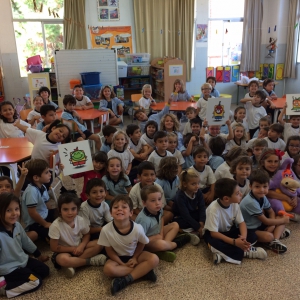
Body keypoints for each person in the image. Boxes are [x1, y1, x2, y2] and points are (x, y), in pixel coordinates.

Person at [98, 195, 159, 295]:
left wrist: (135, 258)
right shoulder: (105, 230)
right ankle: (142, 272)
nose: (119, 209)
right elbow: (109, 250)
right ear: (111, 213)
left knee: (154, 259)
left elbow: (142, 243)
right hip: (117, 258)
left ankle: (127, 279)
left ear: (131, 213)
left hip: (135, 255)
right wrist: (121, 263)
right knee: (108, 270)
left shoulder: (137, 228)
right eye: (116, 207)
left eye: (124, 207)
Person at [203, 178, 267, 265]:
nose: (241, 194)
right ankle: (245, 251)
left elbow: (242, 223)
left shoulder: (235, 204)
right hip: (215, 234)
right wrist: (234, 242)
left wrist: (243, 238)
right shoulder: (213, 209)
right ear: (226, 199)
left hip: (229, 231)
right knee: (214, 242)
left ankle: (222, 255)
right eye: (237, 193)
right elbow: (214, 233)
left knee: (252, 235)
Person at [0, 193, 49, 298]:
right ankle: (4, 288)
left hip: (22, 260)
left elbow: (26, 241)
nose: (14, 213)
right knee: (35, 281)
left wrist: (38, 255)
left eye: (16, 209)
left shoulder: (17, 225)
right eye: (8, 210)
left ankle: (22, 275)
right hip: (9, 269)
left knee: (44, 271)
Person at [135, 185, 199, 263]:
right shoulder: (143, 220)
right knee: (161, 244)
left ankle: (164, 249)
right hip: (147, 243)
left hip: (158, 233)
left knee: (175, 224)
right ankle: (178, 242)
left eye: (159, 199)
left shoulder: (159, 209)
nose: (158, 203)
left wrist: (161, 234)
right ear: (144, 203)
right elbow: (139, 241)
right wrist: (156, 237)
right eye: (153, 200)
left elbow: (161, 218)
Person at [49, 193, 106, 278]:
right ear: (59, 210)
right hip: (64, 251)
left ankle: (73, 265)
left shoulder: (80, 220)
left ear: (78, 209)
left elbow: (87, 234)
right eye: (65, 209)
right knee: (63, 259)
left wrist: (82, 246)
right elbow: (54, 247)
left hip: (79, 247)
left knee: (100, 243)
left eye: (73, 209)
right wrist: (72, 249)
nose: (70, 213)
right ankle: (90, 261)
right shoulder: (55, 225)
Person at [240, 169, 289, 254]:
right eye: (257, 186)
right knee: (269, 236)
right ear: (250, 186)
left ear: (268, 186)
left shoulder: (262, 196)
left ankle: (275, 240)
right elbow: (265, 220)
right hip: (250, 229)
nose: (262, 190)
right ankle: (271, 239)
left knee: (280, 217)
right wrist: (282, 221)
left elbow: (271, 212)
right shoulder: (250, 201)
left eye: (265, 186)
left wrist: (272, 225)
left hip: (259, 224)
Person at [14, 119, 70, 189]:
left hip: (48, 171)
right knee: (24, 186)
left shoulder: (60, 148)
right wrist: (18, 124)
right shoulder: (39, 134)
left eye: (63, 136)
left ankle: (40, 195)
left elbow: (58, 166)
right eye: (60, 131)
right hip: (33, 167)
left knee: (37, 187)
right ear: (53, 128)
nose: (61, 134)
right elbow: (27, 129)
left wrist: (60, 169)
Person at [21, 159, 55, 242]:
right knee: (55, 235)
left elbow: (47, 203)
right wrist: (45, 224)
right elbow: (32, 213)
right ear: (36, 177)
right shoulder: (31, 191)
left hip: (45, 215)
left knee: (64, 214)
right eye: (46, 172)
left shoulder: (42, 186)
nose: (50, 174)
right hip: (35, 222)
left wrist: (53, 215)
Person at [172, 169, 206, 235]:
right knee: (180, 222)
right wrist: (198, 227)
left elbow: (202, 207)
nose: (197, 186)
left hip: (192, 213)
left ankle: (190, 231)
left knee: (206, 214)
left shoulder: (198, 191)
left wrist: (201, 222)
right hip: (181, 216)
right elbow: (185, 215)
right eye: (193, 184)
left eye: (198, 183)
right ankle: (189, 232)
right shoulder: (180, 196)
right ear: (185, 184)